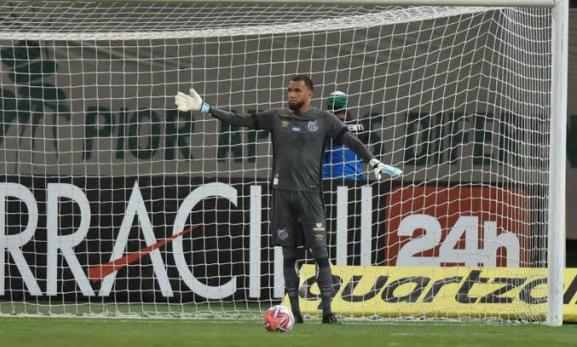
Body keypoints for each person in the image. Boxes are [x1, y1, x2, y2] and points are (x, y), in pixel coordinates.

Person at [175, 75, 402, 324]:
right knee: (288, 256)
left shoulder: (324, 120)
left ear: (309, 94)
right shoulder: (277, 117)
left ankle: (328, 312)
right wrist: (206, 108)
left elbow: (351, 140)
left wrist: (372, 160)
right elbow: (240, 121)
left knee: (320, 254)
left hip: (310, 196)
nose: (291, 94)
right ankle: (294, 312)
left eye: (297, 90)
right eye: (289, 90)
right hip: (282, 196)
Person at [322, 91, 369, 180]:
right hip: (353, 177)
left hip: (326, 179)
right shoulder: (361, 126)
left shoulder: (322, 126)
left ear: (329, 105)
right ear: (346, 105)